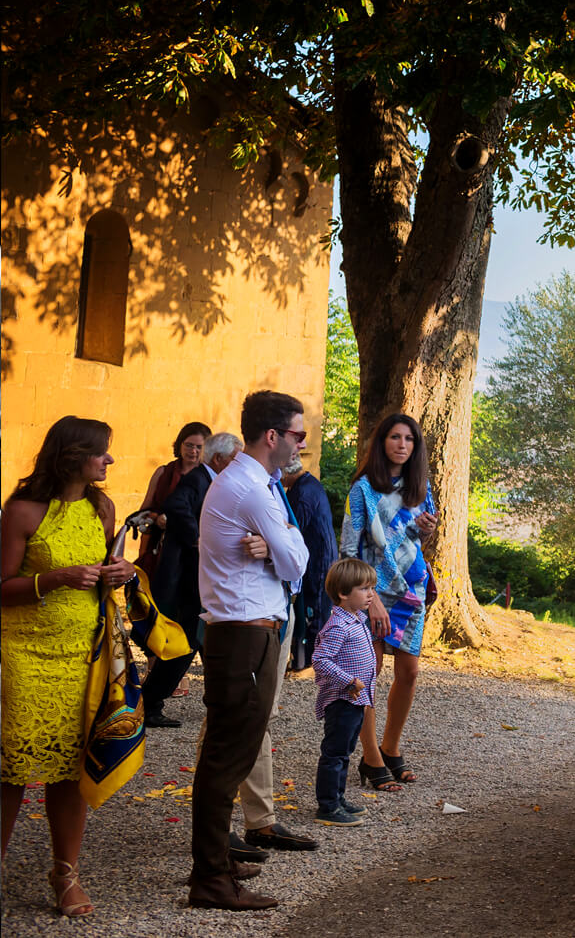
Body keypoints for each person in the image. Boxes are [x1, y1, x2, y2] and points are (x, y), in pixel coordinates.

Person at [1, 417, 133, 917]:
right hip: (22, 654)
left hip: (83, 652)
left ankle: (65, 874)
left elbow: (103, 578)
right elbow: (2, 587)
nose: (109, 460)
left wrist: (122, 572)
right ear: (73, 453)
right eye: (102, 452)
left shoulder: (102, 508)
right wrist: (52, 579)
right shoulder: (23, 512)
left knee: (70, 768)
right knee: (10, 769)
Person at [186, 390, 311, 911]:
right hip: (242, 635)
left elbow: (293, 551)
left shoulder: (255, 482)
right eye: (298, 434)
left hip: (250, 631)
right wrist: (279, 546)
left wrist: (281, 545)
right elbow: (298, 563)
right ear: (273, 436)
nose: (302, 444)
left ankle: (213, 862)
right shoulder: (252, 491)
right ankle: (211, 879)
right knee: (227, 756)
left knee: (229, 751)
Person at [341, 412, 438, 792]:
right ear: (382, 443)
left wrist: (424, 531)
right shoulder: (362, 489)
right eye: (395, 437)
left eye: (409, 439)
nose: (402, 444)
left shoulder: (420, 487)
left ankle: (392, 748)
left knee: (409, 673)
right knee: (367, 676)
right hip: (373, 595)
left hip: (411, 593)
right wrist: (368, 600)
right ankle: (370, 757)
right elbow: (349, 550)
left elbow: (412, 541)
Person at [141, 431, 241, 729]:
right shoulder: (199, 478)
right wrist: (196, 537)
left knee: (192, 640)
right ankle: (150, 701)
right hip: (186, 575)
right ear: (221, 459)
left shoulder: (210, 478)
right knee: (188, 640)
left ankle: (152, 702)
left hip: (194, 576)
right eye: (235, 458)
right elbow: (175, 505)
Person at [312, 558, 378, 826]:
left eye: (372, 588)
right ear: (343, 593)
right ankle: (327, 806)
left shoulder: (356, 620)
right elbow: (320, 659)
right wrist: (348, 680)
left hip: (355, 699)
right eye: (364, 589)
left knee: (346, 750)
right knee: (335, 752)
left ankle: (338, 799)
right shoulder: (338, 626)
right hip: (341, 699)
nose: (370, 594)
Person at [284, 452, 337, 673]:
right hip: (318, 557)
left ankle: (311, 663)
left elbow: (294, 528)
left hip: (318, 560)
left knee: (313, 610)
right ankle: (305, 660)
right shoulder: (308, 484)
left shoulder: (303, 492)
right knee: (313, 607)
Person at [138, 421, 210, 580]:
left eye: (199, 447)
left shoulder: (209, 479)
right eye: (189, 445)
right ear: (180, 444)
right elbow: (144, 511)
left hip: (195, 550)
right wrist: (157, 519)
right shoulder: (163, 473)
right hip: (161, 548)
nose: (193, 451)